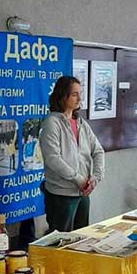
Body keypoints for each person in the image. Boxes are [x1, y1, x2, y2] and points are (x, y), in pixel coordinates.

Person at [40, 76, 104, 232]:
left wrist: (95, 178)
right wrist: (79, 179)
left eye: (79, 94)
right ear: (63, 96)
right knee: (61, 243)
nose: (80, 98)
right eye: (75, 94)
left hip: (82, 193)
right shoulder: (52, 123)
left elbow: (98, 151)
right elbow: (53, 159)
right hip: (61, 195)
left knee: (81, 239)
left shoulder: (81, 123)